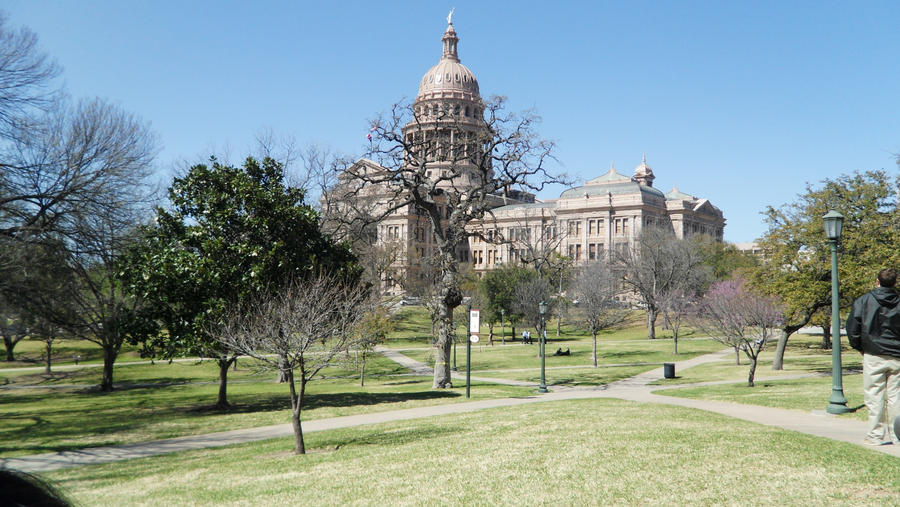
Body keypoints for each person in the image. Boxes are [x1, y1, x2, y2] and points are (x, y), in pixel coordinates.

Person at [845, 268, 900, 445]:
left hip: (873, 354)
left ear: (877, 281)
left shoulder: (864, 300)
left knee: (874, 395)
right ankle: (897, 434)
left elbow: (853, 327)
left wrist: (860, 347)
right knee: (896, 397)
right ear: (895, 283)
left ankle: (875, 435)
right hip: (897, 355)